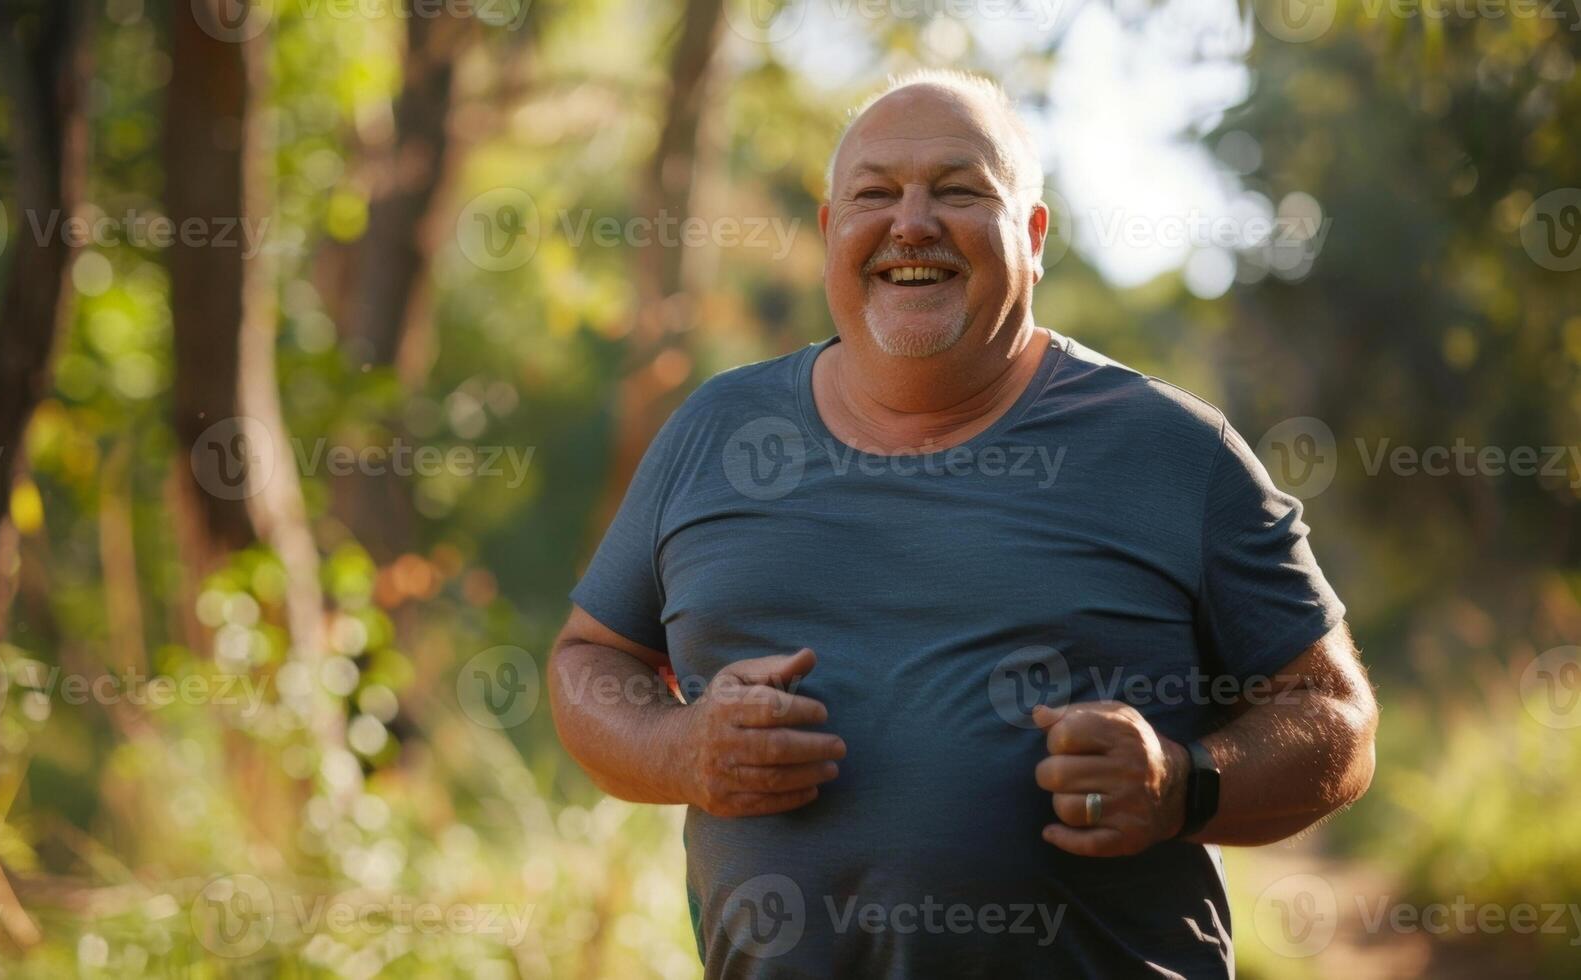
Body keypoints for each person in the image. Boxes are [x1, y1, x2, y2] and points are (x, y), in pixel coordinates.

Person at [548, 68, 1378, 978]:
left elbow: (1334, 716)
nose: (909, 223)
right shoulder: (714, 433)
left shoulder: (1172, 451)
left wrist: (1181, 784)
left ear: (1030, 235)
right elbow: (590, 659)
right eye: (873, 193)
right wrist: (678, 747)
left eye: (957, 191)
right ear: (831, 232)